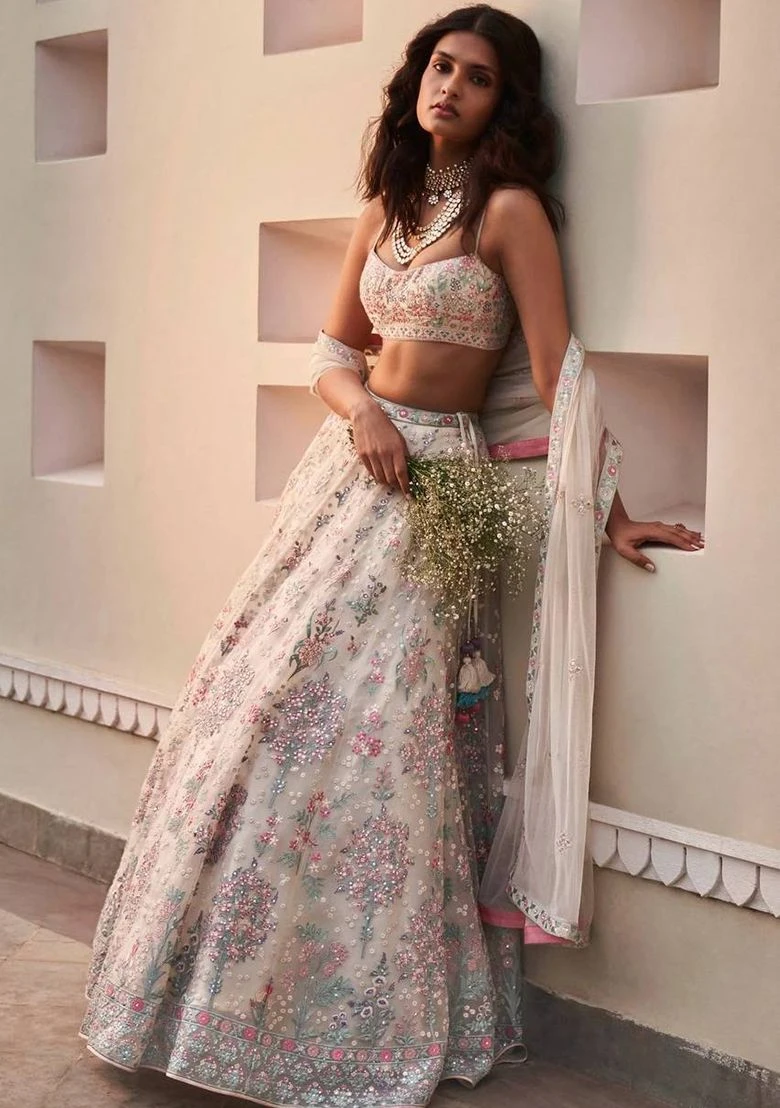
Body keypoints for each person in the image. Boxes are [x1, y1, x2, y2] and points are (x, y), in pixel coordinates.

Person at [79, 6, 704, 1107]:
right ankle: (203, 1000)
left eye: (476, 77)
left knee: (384, 738)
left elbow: (557, 376)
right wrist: (361, 409)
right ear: (417, 78)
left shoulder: (510, 214)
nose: (449, 87)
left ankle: (357, 1012)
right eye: (439, 66)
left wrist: (610, 514)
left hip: (436, 492)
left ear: (505, 102)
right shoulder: (387, 207)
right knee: (255, 704)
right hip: (345, 476)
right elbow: (330, 352)